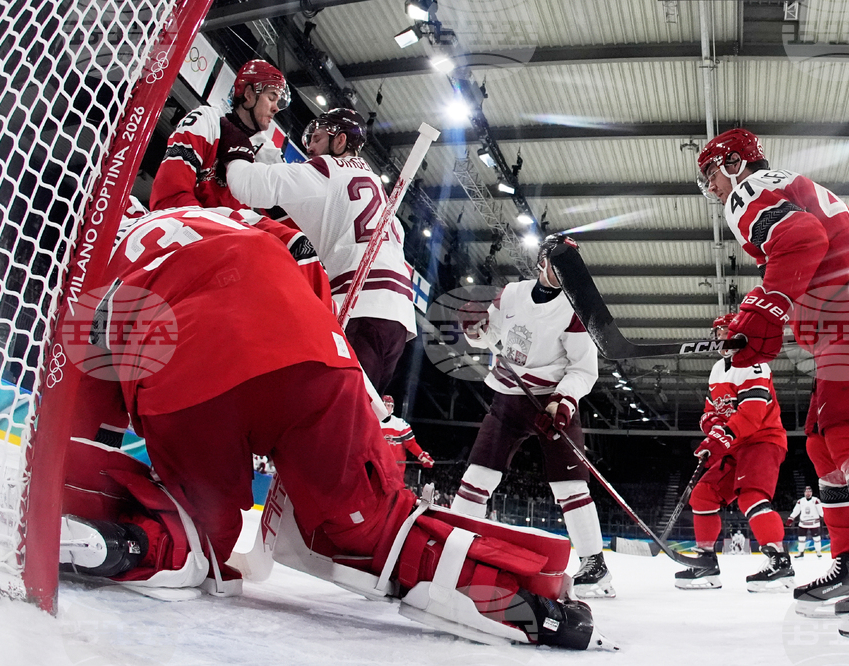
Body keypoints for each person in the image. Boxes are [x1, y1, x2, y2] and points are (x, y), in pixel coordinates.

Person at [56, 205, 611, 650]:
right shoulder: (224, 215)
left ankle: (126, 541)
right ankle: (533, 598)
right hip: (310, 350)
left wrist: (94, 468)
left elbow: (85, 398)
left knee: (203, 539)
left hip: (193, 369)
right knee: (378, 530)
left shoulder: (93, 262)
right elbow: (306, 260)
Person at [698, 128, 849, 635]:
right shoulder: (784, 184)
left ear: (735, 163)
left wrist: (766, 306)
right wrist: (751, 317)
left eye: (712, 172)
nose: (711, 186)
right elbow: (808, 250)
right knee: (823, 445)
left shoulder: (748, 191)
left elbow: (802, 239)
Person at [449, 237, 613, 600]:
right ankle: (453, 543)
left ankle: (595, 564)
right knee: (477, 477)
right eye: (559, 262)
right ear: (542, 261)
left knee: (570, 486)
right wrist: (475, 328)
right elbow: (489, 338)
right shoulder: (511, 294)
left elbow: (584, 370)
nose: (567, 270)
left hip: (551, 404)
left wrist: (563, 403)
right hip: (508, 398)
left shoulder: (577, 308)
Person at [219, 108, 416, 394]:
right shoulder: (378, 191)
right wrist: (266, 146)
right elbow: (296, 203)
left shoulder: (326, 170)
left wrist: (235, 147)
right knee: (358, 417)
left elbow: (246, 185)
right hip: (397, 317)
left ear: (339, 142)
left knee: (328, 411)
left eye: (317, 138)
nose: (310, 147)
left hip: (361, 308)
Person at [674, 314, 793, 592]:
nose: (720, 337)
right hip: (735, 445)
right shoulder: (718, 369)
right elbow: (709, 414)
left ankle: (780, 563)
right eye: (718, 332)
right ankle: (706, 564)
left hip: (762, 440)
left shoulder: (754, 364)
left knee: (751, 496)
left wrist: (717, 440)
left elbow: (751, 416)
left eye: (726, 331)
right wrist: (714, 429)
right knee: (703, 494)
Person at [149, 59, 289, 211]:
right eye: (271, 98)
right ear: (249, 94)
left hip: (229, 230)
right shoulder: (205, 119)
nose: (276, 108)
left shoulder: (271, 156)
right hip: (184, 227)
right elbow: (169, 197)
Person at [380, 394, 434, 469]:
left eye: (390, 406)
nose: (387, 408)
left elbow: (411, 444)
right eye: (385, 405)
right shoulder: (374, 423)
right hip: (378, 466)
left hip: (396, 468)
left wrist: (421, 455)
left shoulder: (400, 424)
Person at [787, 486, 824, 558]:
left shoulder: (816, 500)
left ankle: (818, 551)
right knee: (801, 539)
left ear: (812, 492)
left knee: (817, 538)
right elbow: (796, 511)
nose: (808, 493)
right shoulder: (800, 501)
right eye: (806, 491)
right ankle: (800, 552)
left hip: (814, 523)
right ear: (804, 493)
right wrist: (791, 518)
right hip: (803, 523)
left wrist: (826, 517)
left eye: (809, 491)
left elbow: (821, 511)